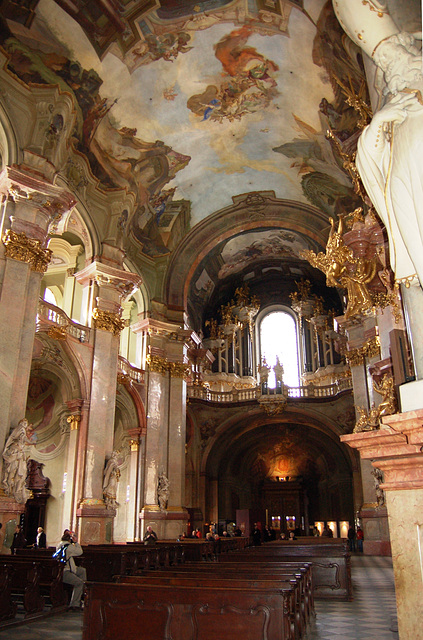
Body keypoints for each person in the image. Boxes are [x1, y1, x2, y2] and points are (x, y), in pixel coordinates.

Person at [56, 531, 86, 610]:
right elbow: (80, 552)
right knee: (79, 583)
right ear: (70, 540)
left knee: (82, 571)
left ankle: (81, 594)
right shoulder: (68, 546)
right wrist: (76, 542)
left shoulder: (59, 544)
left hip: (63, 569)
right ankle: (75, 603)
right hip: (65, 571)